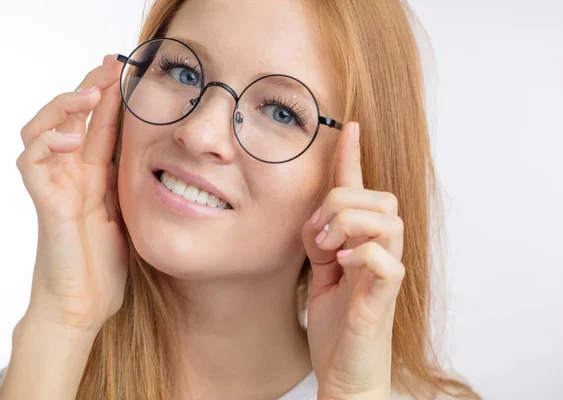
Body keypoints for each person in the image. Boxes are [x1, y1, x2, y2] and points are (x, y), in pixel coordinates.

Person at [0, 0, 481, 399]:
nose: (199, 131)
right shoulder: (36, 377)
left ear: (356, 180)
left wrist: (351, 392)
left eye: (279, 111)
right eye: (184, 72)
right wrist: (61, 318)